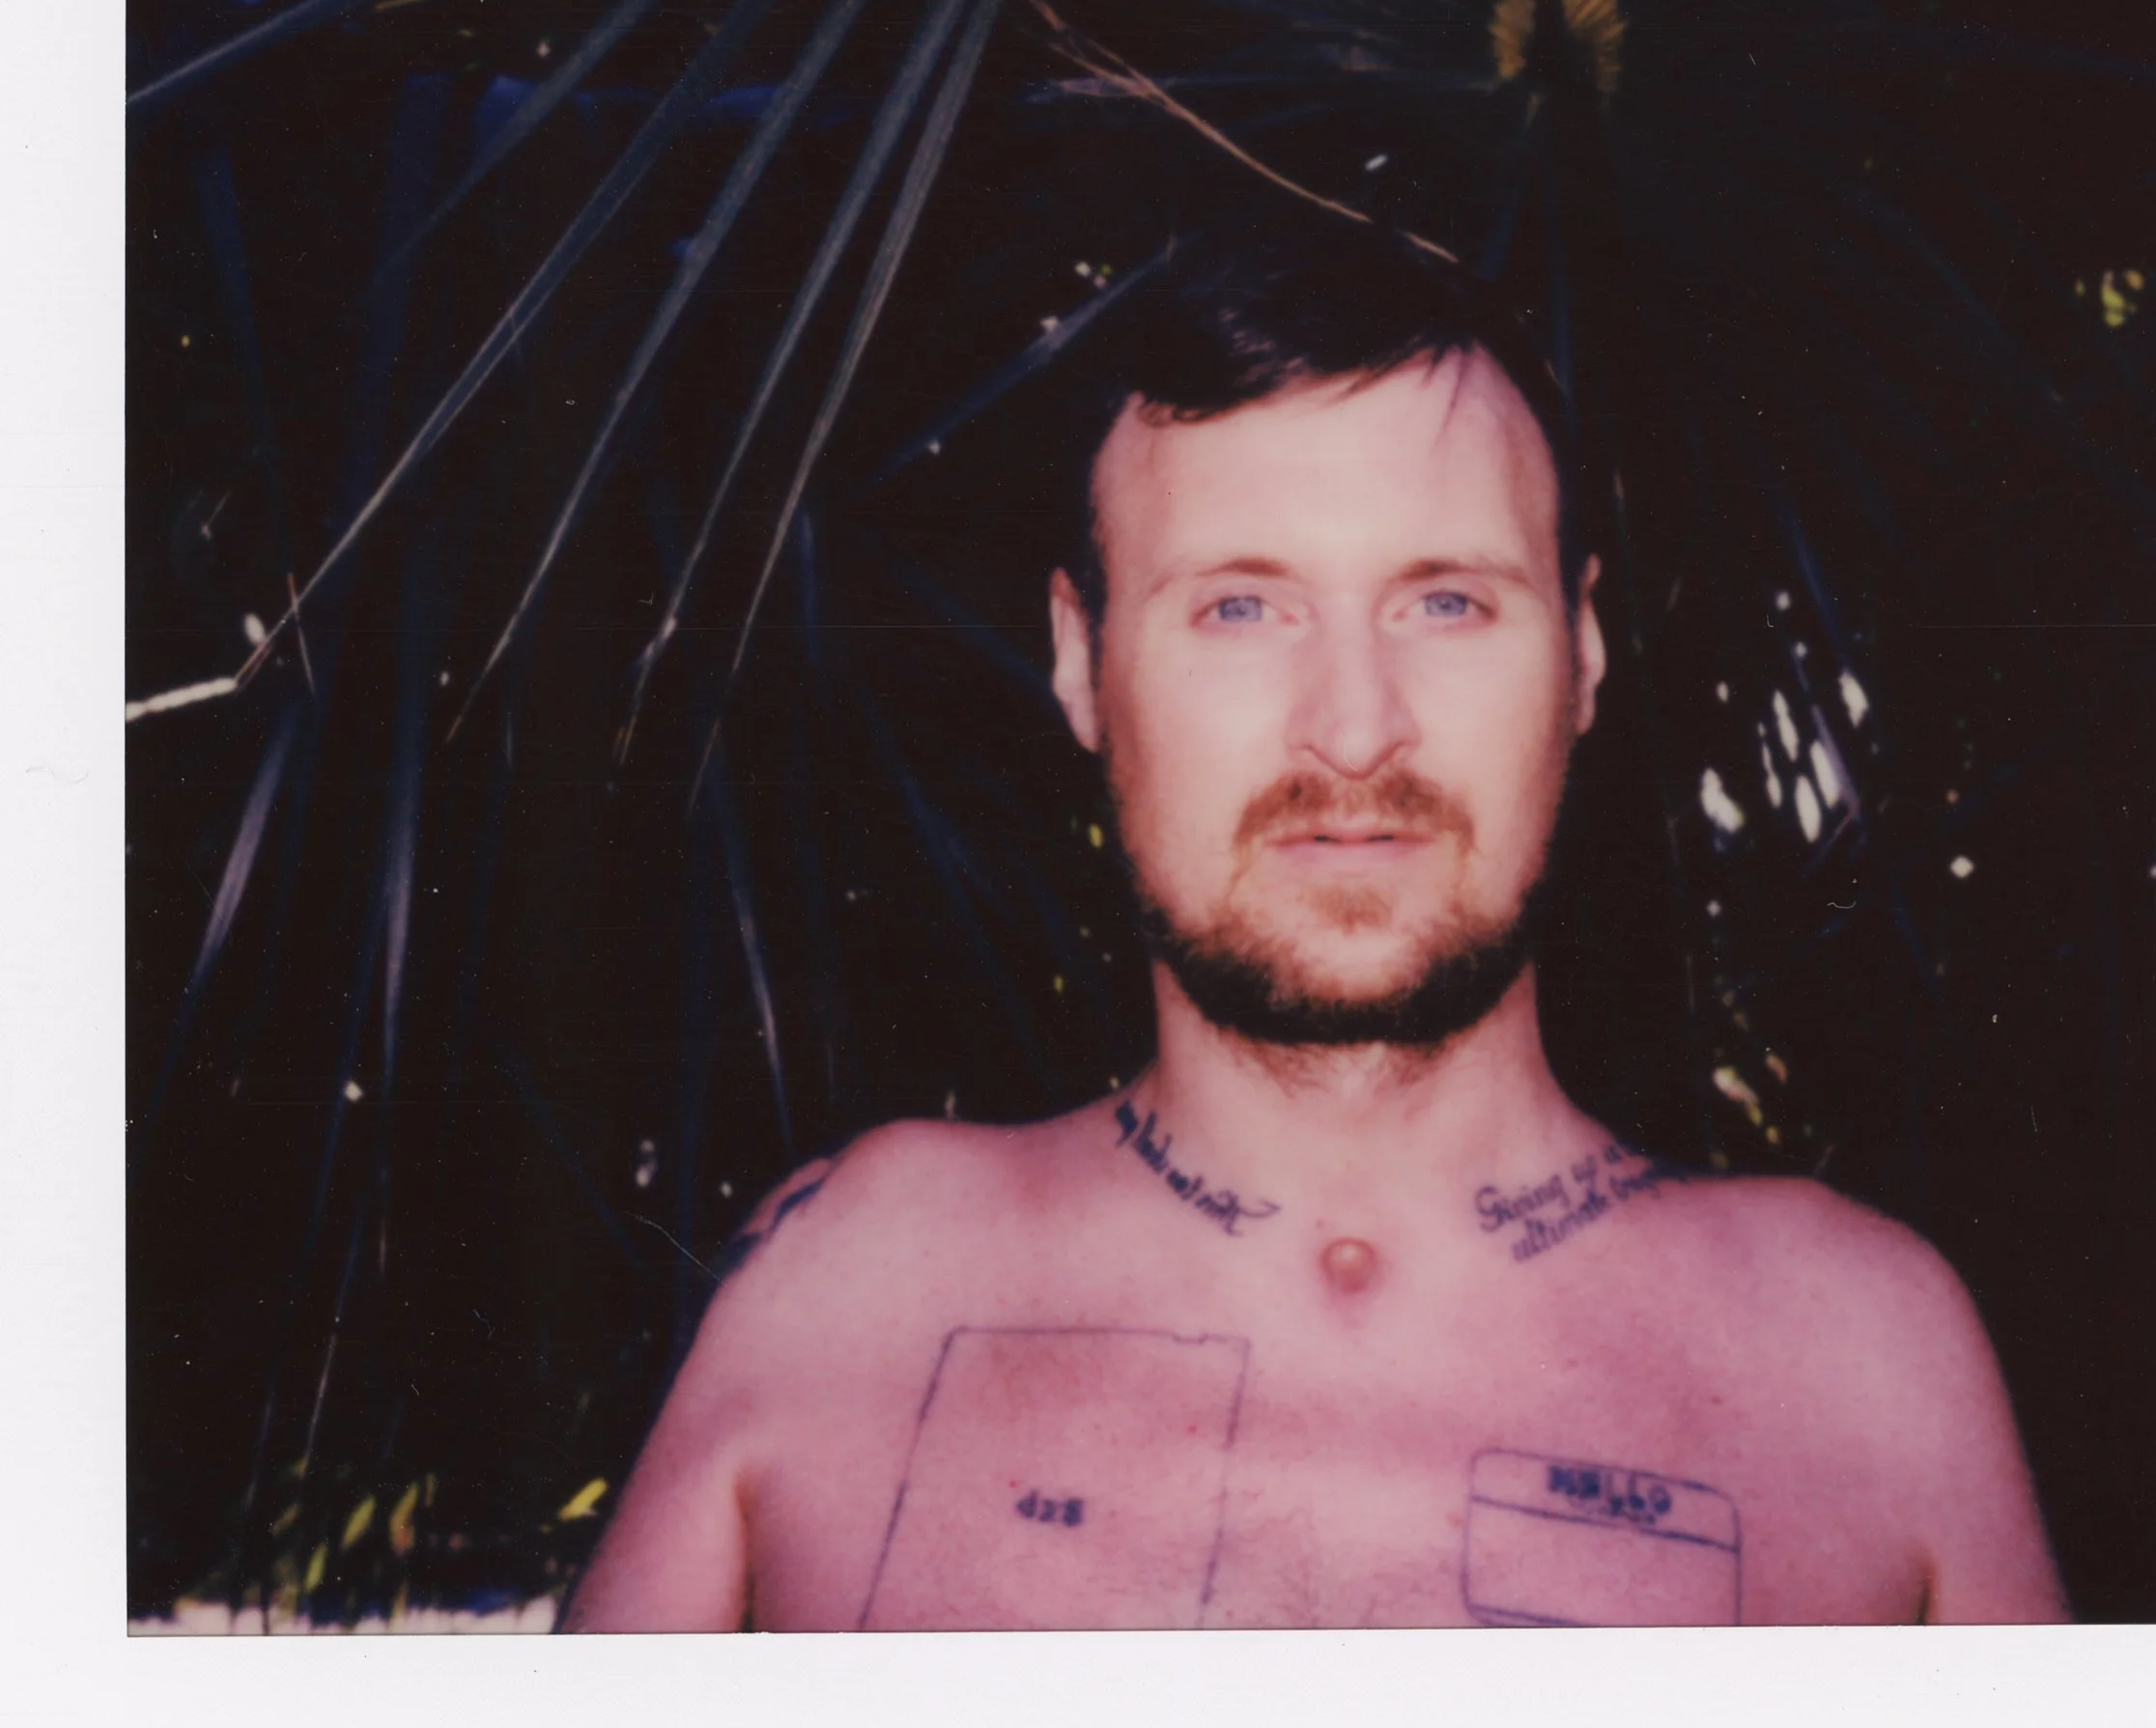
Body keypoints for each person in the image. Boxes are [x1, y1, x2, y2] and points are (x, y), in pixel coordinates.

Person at [565, 221, 2066, 1629]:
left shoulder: (1865, 1358)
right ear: (1081, 663)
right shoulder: (843, 1286)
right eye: (1239, 608)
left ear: (1585, 652)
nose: (1355, 728)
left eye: (1448, 604)